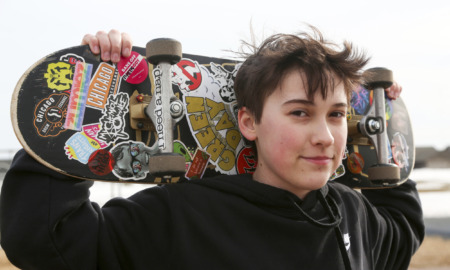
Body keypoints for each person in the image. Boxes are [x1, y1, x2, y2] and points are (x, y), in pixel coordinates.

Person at [0, 29, 423, 270]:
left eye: (336, 115)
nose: (326, 137)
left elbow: (402, 232)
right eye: (299, 113)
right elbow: (45, 241)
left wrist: (386, 132)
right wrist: (80, 115)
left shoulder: (352, 212)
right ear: (249, 122)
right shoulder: (181, 216)